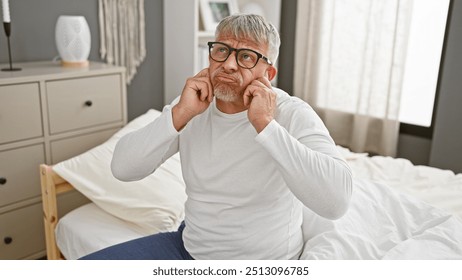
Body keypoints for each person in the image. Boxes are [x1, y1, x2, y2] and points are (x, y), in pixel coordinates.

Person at [81, 14, 352, 260]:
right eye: (222, 51)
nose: (229, 65)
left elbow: (336, 202)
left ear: (268, 74)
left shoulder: (291, 113)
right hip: (188, 249)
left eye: (246, 56)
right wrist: (179, 114)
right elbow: (122, 168)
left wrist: (266, 126)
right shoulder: (192, 104)